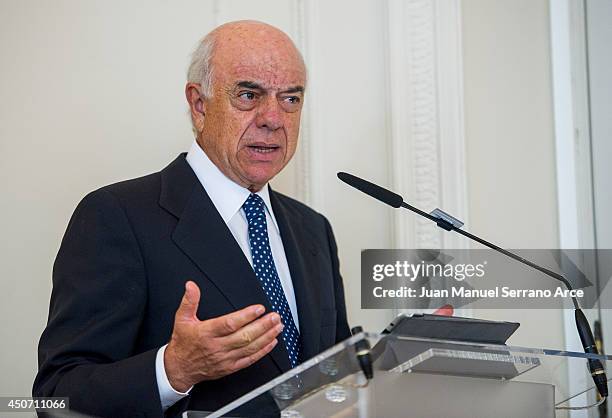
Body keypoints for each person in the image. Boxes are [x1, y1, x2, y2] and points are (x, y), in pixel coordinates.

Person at [33, 20, 351, 418]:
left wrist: (408, 348)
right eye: (249, 95)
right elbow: (55, 395)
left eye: (290, 99)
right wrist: (173, 371)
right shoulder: (117, 216)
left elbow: (333, 377)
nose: (273, 117)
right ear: (199, 105)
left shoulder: (312, 228)